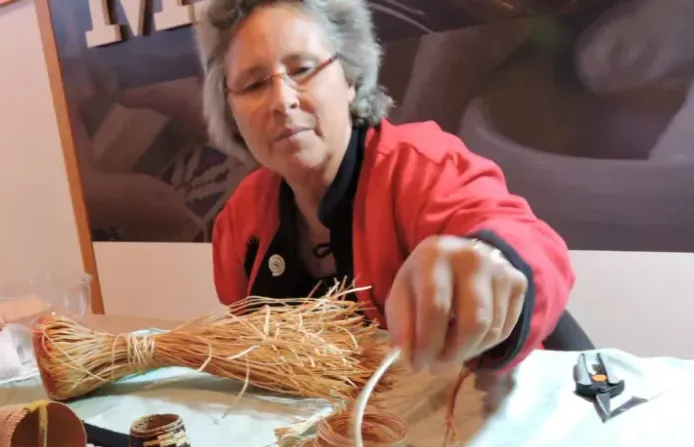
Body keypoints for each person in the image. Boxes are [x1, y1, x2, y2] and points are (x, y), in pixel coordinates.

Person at [195, 0, 582, 372]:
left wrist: (489, 259)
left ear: (349, 78)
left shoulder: (419, 164)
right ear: (230, 109)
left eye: (302, 69)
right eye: (253, 84)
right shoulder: (240, 219)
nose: (282, 100)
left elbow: (522, 238)